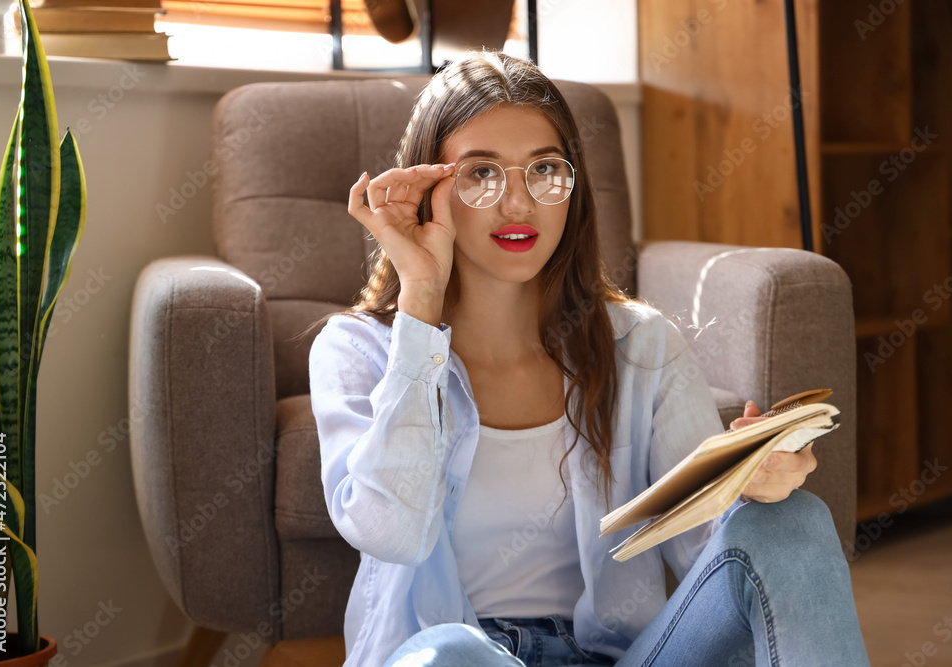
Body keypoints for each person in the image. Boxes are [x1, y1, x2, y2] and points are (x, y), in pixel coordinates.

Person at [307, 49, 869, 667]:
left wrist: (752, 487)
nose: (518, 203)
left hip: (623, 658)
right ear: (428, 189)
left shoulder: (640, 344)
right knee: (445, 655)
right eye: (480, 174)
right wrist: (419, 298)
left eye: (544, 169)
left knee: (794, 524)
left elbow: (704, 548)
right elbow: (393, 532)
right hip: (460, 660)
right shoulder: (358, 350)